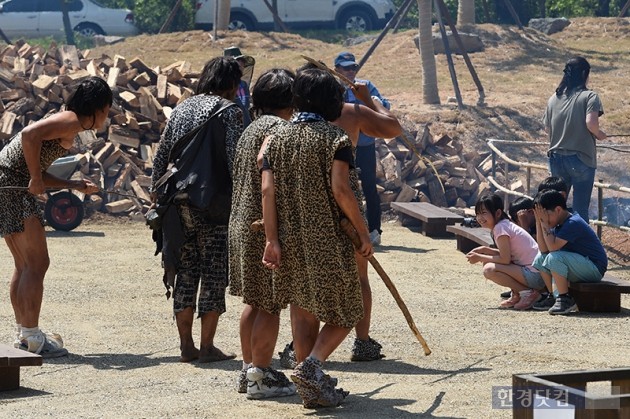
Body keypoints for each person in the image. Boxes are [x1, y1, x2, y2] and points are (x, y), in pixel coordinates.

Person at [261, 68, 373, 408]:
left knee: (303, 308)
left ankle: (309, 385)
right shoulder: (334, 139)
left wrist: (271, 239)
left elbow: (267, 189)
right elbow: (341, 190)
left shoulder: (276, 138)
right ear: (332, 103)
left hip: (289, 238)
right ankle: (311, 367)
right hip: (326, 238)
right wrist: (363, 232)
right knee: (348, 308)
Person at [277, 72, 402, 366]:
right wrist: (368, 99)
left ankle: (303, 348)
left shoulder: (285, 124)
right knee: (357, 277)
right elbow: (393, 128)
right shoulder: (349, 114)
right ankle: (359, 341)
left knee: (303, 280)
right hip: (340, 206)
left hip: (299, 206)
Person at [0, 76, 109, 358]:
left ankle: (25, 335)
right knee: (37, 263)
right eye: (107, 110)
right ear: (96, 108)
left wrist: (74, 185)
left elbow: (32, 161)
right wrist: (35, 178)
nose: (106, 118)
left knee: (24, 265)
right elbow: (28, 136)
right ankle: (33, 337)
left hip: (8, 182)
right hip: (13, 185)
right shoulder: (72, 120)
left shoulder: (68, 122)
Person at [150, 56, 243, 363]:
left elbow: (162, 154)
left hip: (177, 203)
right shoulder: (231, 112)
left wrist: (157, 196)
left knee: (185, 271)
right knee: (214, 273)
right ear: (232, 83)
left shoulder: (182, 108)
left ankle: (185, 346)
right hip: (213, 204)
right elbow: (234, 161)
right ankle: (207, 347)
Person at [228, 68, 297, 399]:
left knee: (253, 301)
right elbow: (272, 188)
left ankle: (249, 370)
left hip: (241, 222)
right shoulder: (282, 131)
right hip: (263, 226)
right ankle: (261, 376)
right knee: (269, 303)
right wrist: (275, 236)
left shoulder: (250, 128)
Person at [334, 51, 391, 245]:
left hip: (365, 145)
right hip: (341, 147)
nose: (350, 71)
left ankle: (375, 230)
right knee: (341, 186)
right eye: (346, 68)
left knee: (369, 187)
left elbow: (383, 104)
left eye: (353, 67)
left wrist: (370, 101)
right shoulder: (332, 89)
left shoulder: (365, 86)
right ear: (337, 70)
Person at [543, 56, 606, 222]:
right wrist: (599, 134)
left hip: (556, 157)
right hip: (581, 159)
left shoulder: (553, 99)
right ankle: (580, 246)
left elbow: (547, 128)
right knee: (580, 208)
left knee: (556, 206)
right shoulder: (590, 96)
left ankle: (553, 242)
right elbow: (591, 124)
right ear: (585, 74)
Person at [531, 189, 607, 314]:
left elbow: (553, 248)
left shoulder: (573, 223)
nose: (544, 219)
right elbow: (544, 249)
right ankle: (554, 296)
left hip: (594, 268)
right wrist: (539, 223)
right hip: (581, 266)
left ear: (558, 210)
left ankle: (565, 299)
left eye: (546, 215)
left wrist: (545, 224)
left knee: (554, 257)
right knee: (541, 258)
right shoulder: (559, 224)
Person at [466, 194, 545, 310]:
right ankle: (519, 293)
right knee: (490, 264)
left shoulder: (500, 228)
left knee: (489, 269)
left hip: (535, 276)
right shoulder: (504, 225)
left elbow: (505, 259)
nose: (480, 217)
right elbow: (508, 254)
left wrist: (479, 257)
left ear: (497, 213)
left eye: (484, 213)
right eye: (477, 214)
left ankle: (527, 293)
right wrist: (485, 250)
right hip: (537, 273)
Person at [224, 46, 255, 128]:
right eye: (238, 66)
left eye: (242, 66)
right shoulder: (223, 86)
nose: (241, 69)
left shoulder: (243, 85)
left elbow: (246, 107)